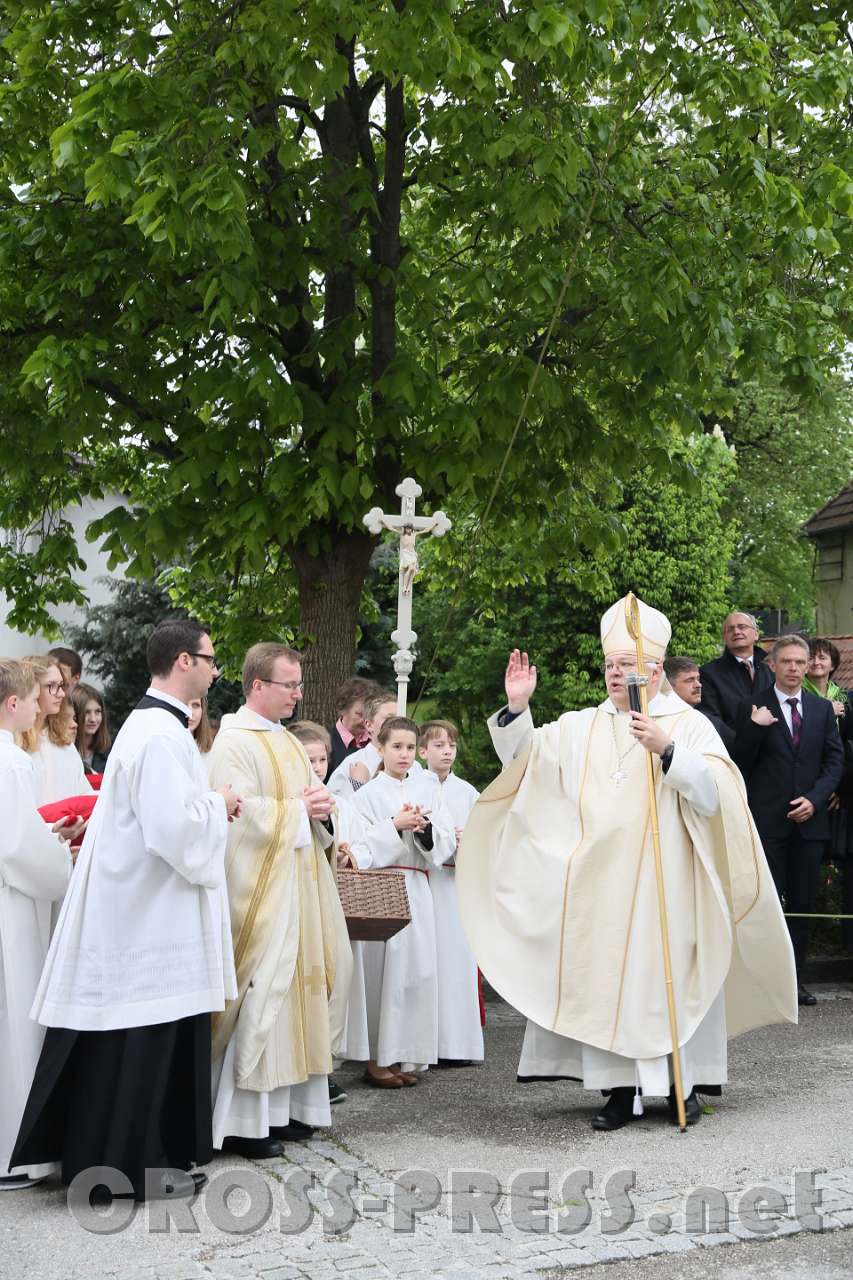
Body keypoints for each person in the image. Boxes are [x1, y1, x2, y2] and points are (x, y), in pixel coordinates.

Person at [456, 595, 798, 1132]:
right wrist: (519, 710)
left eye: (629, 667)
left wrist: (668, 752)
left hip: (673, 884)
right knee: (610, 983)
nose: (617, 676)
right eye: (612, 667)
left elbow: (718, 796)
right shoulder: (579, 727)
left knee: (669, 977)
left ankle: (681, 1087)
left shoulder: (688, 725)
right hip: (603, 886)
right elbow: (527, 767)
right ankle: (620, 1093)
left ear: (657, 670)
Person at [11, 618, 241, 1203]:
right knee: (140, 1043)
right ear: (184, 662)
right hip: (147, 916)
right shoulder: (159, 736)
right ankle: (134, 1168)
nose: (216, 671)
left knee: (131, 1044)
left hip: (142, 909)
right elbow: (172, 831)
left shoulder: (148, 726)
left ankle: (119, 1162)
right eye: (210, 659)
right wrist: (219, 805)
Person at [207, 644, 353, 1159]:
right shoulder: (233, 742)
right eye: (288, 685)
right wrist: (298, 810)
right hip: (264, 892)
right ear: (257, 686)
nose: (298, 693)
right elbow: (237, 816)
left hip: (303, 886)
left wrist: (321, 809)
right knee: (265, 994)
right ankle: (248, 1123)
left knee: (303, 993)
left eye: (298, 685)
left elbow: (314, 800)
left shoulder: (290, 742)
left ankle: (291, 1110)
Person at [731, 635, 844, 1006]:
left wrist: (814, 799)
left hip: (809, 825)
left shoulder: (821, 709)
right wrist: (755, 726)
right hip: (768, 823)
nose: (795, 668)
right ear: (773, 665)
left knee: (802, 903)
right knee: (767, 904)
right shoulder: (752, 706)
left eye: (800, 662)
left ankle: (795, 981)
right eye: (788, 662)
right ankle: (764, 984)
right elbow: (739, 762)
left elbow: (834, 762)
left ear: (808, 664)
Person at [0, 659, 77, 1191]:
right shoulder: (10, 761)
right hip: (11, 907)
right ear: (12, 704)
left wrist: (48, 834)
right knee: (14, 1023)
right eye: (33, 698)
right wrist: (62, 861)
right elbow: (14, 846)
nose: (37, 708)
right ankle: (13, 1150)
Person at [352, 717, 456, 1087]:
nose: (404, 754)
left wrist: (426, 830)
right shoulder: (365, 796)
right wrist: (394, 826)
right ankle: (378, 1060)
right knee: (387, 976)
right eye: (396, 747)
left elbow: (446, 844)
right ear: (380, 748)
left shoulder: (428, 790)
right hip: (385, 886)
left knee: (418, 973)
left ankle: (406, 1055)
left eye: (411, 748)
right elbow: (357, 850)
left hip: (418, 887)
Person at [289, 719, 373, 1103]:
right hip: (297, 899)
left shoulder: (336, 801)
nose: (319, 766)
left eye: (322, 759)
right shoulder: (290, 801)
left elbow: (352, 835)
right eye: (310, 759)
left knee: (337, 975)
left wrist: (344, 849)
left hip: (331, 897)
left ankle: (325, 1066)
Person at [418, 720, 484, 1066]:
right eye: (439, 745)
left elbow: (483, 832)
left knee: (456, 961)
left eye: (452, 746)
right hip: (427, 880)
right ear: (423, 751)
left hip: (455, 884)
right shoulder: (413, 786)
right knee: (428, 962)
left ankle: (457, 1045)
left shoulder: (467, 791)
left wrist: (465, 840)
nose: (447, 752)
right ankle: (425, 1044)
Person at [804, 638, 853, 955]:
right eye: (812, 656)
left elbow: (849, 749)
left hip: (841, 793)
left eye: (824, 657)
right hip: (809, 791)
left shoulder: (846, 700)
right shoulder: (798, 697)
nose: (817, 661)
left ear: (834, 663)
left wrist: (840, 789)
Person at [20, 657, 94, 805]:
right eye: (51, 686)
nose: (61, 694)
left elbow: (84, 794)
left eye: (61, 686)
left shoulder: (64, 743)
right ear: (31, 689)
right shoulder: (14, 744)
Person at [327, 688, 420, 797]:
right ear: (369, 724)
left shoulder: (414, 766)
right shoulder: (352, 764)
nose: (397, 724)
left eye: (400, 718)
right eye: (389, 718)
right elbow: (338, 807)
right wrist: (357, 786)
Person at [699, 612, 773, 742]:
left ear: (756, 634)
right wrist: (741, 743)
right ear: (725, 637)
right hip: (733, 751)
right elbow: (711, 718)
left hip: (772, 752)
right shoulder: (708, 673)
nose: (736, 631)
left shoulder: (771, 670)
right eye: (730, 629)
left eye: (742, 626)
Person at [663, 656, 734, 751]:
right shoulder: (658, 722)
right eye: (689, 680)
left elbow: (738, 750)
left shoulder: (710, 721)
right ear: (669, 685)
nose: (698, 685)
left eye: (697, 679)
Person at [328, 677, 377, 774]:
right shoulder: (325, 743)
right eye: (360, 714)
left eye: (370, 715)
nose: (366, 721)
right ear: (342, 708)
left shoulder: (376, 743)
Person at [71, 682, 111, 774]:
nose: (93, 719)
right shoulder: (64, 752)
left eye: (97, 712)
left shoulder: (110, 753)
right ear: (74, 715)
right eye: (87, 712)